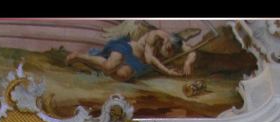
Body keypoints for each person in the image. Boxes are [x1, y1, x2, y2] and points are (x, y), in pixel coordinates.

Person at [66, 27, 196, 80]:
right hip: (126, 49)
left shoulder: (178, 42)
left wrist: (188, 63)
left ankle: (94, 64)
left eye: (173, 49)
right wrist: (167, 71)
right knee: (108, 67)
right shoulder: (155, 36)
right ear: (166, 40)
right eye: (169, 47)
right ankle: (79, 56)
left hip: (136, 63)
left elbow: (192, 52)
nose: (170, 51)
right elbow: (150, 59)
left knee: (121, 75)